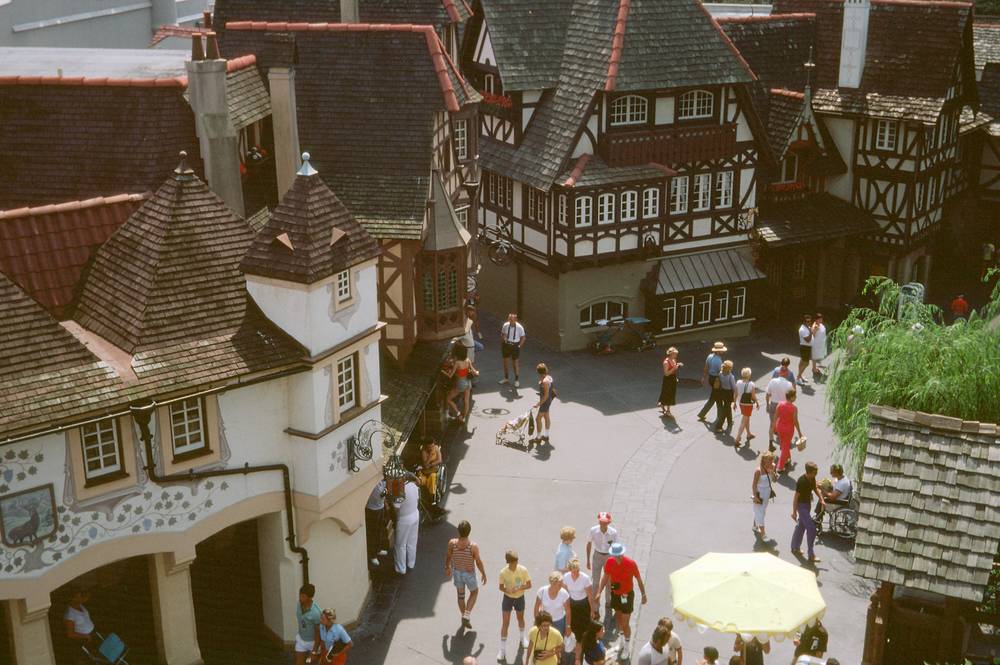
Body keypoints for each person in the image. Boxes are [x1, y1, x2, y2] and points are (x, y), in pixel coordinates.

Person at [596, 543, 647, 653]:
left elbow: (638, 579)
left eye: (618, 555)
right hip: (615, 594)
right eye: (615, 555)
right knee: (618, 620)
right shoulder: (609, 562)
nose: (617, 558)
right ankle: (622, 641)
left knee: (625, 623)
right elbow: (605, 578)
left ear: (622, 554)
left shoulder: (631, 564)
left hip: (627, 596)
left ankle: (627, 647)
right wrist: (599, 592)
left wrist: (643, 595)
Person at [445, 520, 488, 629]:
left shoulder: (452, 543)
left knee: (460, 596)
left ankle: (464, 616)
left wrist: (447, 567)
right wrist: (483, 573)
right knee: (474, 592)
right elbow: (478, 562)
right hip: (469, 574)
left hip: (457, 573)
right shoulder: (473, 546)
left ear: (458, 531)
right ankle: (466, 615)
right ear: (469, 531)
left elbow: (448, 556)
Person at [498, 550, 532, 662]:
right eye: (513, 562)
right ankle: (502, 650)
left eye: (516, 561)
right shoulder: (503, 572)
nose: (515, 564)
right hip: (507, 598)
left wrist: (520, 588)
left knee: (520, 618)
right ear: (508, 562)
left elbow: (529, 585)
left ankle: (522, 639)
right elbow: (501, 587)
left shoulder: (523, 570)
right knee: (505, 623)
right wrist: (507, 589)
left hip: (520, 598)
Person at [791, 462, 827, 564]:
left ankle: (795, 547)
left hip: (807, 505)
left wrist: (821, 500)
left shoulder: (812, 478)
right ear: (809, 472)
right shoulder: (801, 481)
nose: (816, 474)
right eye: (815, 472)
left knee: (801, 526)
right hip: (801, 506)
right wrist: (794, 512)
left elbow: (815, 488)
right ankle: (811, 554)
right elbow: (796, 497)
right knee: (811, 528)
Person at [563, 559, 596, 659]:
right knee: (572, 625)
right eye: (573, 571)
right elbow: (565, 592)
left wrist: (592, 610)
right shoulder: (566, 577)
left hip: (583, 605)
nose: (575, 573)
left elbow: (590, 596)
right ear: (570, 570)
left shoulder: (585, 578)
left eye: (577, 570)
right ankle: (576, 645)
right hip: (572, 604)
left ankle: (583, 645)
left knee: (584, 626)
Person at [586, 512, 618, 611]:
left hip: (609, 556)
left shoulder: (613, 532)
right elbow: (589, 543)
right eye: (601, 522)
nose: (603, 524)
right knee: (595, 581)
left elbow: (616, 547)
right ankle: (595, 603)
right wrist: (588, 560)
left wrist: (615, 561)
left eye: (605, 522)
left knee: (609, 581)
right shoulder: (593, 530)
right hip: (597, 555)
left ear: (609, 523)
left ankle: (608, 601)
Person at [393, 473, 420, 574]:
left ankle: (401, 569)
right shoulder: (413, 486)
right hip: (415, 514)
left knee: (400, 545)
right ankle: (411, 563)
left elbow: (396, 508)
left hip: (404, 519)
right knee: (412, 542)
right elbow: (417, 499)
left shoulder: (400, 490)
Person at [446, 344, 479, 422]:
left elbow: (450, 375)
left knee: (448, 399)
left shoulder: (457, 363)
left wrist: (444, 372)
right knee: (466, 401)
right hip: (468, 383)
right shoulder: (467, 360)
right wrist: (477, 372)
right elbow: (475, 372)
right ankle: (464, 417)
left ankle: (458, 414)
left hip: (460, 384)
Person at [533, 572, 571, 638]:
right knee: (544, 641)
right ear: (553, 583)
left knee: (558, 642)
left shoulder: (564, 593)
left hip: (559, 622)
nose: (562, 585)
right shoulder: (542, 591)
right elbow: (536, 607)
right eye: (560, 583)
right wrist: (537, 622)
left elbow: (568, 611)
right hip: (544, 622)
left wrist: (568, 626)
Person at [774, 390, 802, 473]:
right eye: (795, 396)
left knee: (784, 444)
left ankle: (787, 459)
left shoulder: (780, 404)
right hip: (788, 429)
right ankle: (780, 467)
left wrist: (774, 427)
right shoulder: (794, 408)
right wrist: (800, 433)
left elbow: (775, 416)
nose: (796, 397)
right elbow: (795, 421)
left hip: (780, 427)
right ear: (792, 397)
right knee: (785, 447)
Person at [697, 342, 727, 422]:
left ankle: (703, 414)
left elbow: (706, 367)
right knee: (717, 399)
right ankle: (719, 417)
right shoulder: (719, 361)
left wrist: (704, 377)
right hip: (717, 380)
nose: (723, 351)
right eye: (721, 350)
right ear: (718, 351)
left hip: (711, 378)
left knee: (715, 397)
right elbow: (721, 373)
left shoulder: (710, 356)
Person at [765, 366, 794, 448]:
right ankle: (782, 443)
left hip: (773, 404)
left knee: (772, 424)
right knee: (783, 425)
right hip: (783, 406)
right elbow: (792, 398)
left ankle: (771, 442)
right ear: (787, 374)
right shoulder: (789, 384)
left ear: (779, 373)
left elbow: (767, 394)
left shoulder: (772, 381)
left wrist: (767, 405)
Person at [751, 452, 777, 542]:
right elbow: (754, 485)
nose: (770, 461)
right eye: (768, 459)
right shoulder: (758, 471)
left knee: (762, 510)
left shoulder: (773, 466)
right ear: (763, 460)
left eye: (771, 459)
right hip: (759, 492)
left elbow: (775, 480)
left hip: (767, 492)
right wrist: (755, 496)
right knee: (761, 513)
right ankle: (763, 534)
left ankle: (755, 525)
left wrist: (773, 473)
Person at [294, 583, 322, 665]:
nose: (300, 598)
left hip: (312, 642)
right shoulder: (299, 604)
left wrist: (314, 651)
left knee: (312, 663)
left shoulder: (316, 613)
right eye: (300, 595)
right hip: (301, 639)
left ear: (310, 597)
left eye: (303, 596)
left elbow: (318, 633)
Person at [364, 477, 388, 569]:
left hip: (380, 507)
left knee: (379, 530)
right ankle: (372, 555)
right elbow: (380, 495)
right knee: (373, 533)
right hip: (372, 510)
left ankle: (378, 549)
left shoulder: (382, 480)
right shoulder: (373, 484)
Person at [64, 588, 96, 655]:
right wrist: (86, 636)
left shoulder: (80, 606)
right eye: (76, 597)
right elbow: (70, 634)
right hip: (85, 639)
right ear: (71, 598)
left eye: (80, 596)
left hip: (92, 633)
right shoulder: (69, 614)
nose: (79, 598)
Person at [531, 363, 556, 445]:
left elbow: (545, 395)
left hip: (545, 402)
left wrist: (538, 404)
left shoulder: (544, 382)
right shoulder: (549, 378)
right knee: (546, 416)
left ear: (538, 372)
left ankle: (538, 437)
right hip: (548, 401)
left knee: (538, 419)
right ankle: (546, 435)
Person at [415, 437, 443, 510]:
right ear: (426, 446)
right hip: (424, 471)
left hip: (433, 470)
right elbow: (425, 465)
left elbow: (439, 460)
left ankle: (432, 496)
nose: (431, 448)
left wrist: (431, 464)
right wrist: (430, 456)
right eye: (430, 447)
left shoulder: (436, 448)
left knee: (433, 477)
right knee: (421, 481)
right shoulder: (424, 452)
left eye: (432, 446)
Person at [499, 313, 526, 387]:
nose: (510, 321)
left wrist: (519, 346)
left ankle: (516, 380)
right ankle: (506, 378)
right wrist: (504, 340)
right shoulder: (505, 325)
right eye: (509, 319)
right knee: (505, 362)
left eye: (512, 319)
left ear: (515, 320)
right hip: (506, 345)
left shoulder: (520, 327)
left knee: (515, 363)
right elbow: (503, 334)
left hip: (515, 345)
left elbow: (523, 337)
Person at [734, 367, 758, 448]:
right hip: (748, 405)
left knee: (746, 419)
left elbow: (736, 394)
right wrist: (757, 402)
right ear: (749, 375)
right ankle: (737, 438)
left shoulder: (738, 382)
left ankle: (748, 434)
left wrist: (734, 403)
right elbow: (753, 396)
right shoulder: (751, 384)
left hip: (741, 403)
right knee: (744, 421)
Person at [713, 360, 738, 433]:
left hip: (723, 392)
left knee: (727, 407)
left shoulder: (720, 374)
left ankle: (730, 421)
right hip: (729, 393)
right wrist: (735, 397)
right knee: (725, 409)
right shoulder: (731, 376)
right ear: (730, 368)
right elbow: (734, 387)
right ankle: (719, 426)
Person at [658, 347, 682, 417]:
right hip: (668, 379)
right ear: (671, 354)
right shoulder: (666, 362)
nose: (676, 356)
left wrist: (678, 365)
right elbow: (666, 373)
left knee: (670, 393)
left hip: (673, 378)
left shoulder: (674, 360)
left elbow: (674, 367)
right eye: (675, 354)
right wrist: (674, 368)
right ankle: (668, 410)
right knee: (668, 393)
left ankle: (662, 403)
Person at [797, 315, 814, 385]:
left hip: (806, 347)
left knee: (801, 362)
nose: (809, 323)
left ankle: (800, 376)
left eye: (810, 321)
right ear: (804, 322)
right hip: (805, 347)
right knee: (806, 363)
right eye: (808, 321)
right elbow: (808, 340)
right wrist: (811, 332)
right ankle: (798, 377)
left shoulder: (807, 327)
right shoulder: (802, 329)